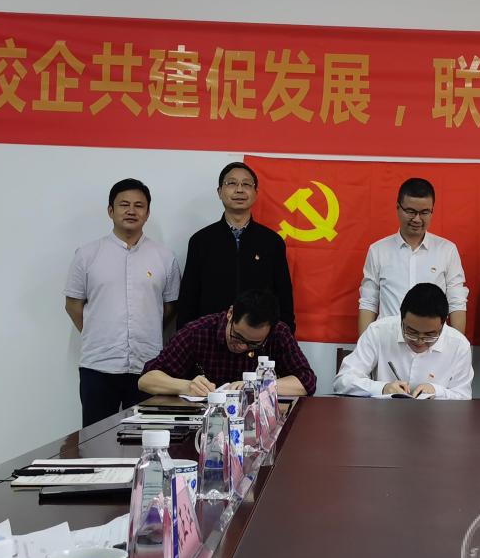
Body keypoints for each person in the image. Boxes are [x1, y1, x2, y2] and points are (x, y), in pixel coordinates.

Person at [64, 178, 181, 426]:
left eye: (139, 205)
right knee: (95, 438)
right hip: (98, 365)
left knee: (146, 437)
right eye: (124, 204)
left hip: (148, 366)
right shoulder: (87, 255)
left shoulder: (164, 257)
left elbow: (169, 307)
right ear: (110, 211)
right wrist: (97, 332)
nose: (131, 211)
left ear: (147, 213)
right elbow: (73, 304)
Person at [176, 161, 295, 331]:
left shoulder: (272, 242)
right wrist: (185, 337)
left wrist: (285, 335)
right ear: (219, 192)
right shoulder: (201, 241)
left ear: (255, 193)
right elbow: (188, 299)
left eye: (246, 184)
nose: (239, 190)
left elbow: (283, 298)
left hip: (259, 337)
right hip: (210, 337)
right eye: (231, 183)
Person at [139, 289, 316, 397]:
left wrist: (258, 386)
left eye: (253, 344)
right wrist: (187, 386)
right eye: (237, 336)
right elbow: (146, 380)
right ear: (230, 314)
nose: (242, 346)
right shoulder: (197, 332)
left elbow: (306, 381)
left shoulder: (278, 333)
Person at [358, 177, 468, 337]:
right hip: (388, 340)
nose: (417, 219)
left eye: (424, 212)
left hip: (431, 341)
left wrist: (457, 345)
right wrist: (364, 345)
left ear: (432, 211)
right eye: (410, 211)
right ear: (398, 208)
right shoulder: (378, 250)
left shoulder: (447, 250)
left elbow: (457, 302)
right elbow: (369, 302)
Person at [335, 284, 473, 399]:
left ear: (443, 324)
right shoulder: (378, 331)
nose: (419, 341)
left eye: (430, 335)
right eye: (411, 332)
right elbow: (343, 381)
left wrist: (437, 391)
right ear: (401, 318)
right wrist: (383, 388)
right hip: (383, 416)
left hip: (437, 419)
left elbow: (464, 396)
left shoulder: (459, 345)